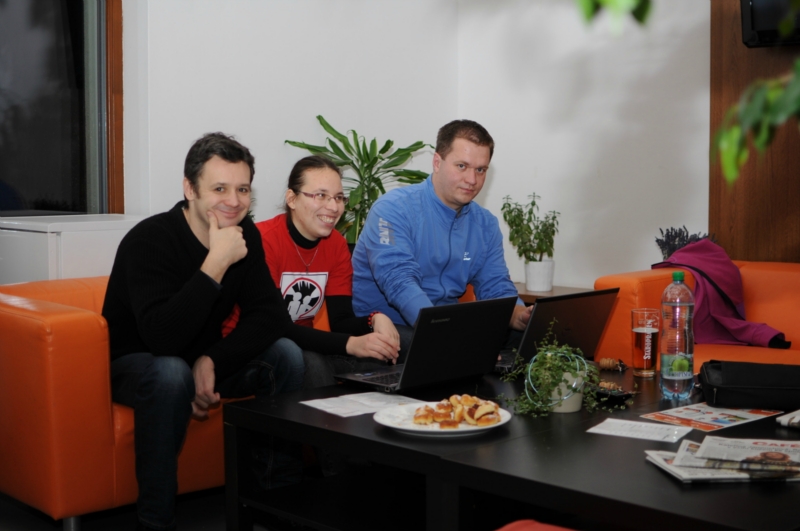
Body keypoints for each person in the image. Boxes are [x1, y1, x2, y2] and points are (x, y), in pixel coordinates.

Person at [102, 132, 304, 531]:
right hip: (136, 365)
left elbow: (271, 317)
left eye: (242, 189)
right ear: (190, 189)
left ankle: (276, 507)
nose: (234, 201)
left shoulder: (245, 236)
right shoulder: (150, 239)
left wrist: (212, 359)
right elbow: (161, 339)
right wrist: (215, 263)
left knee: (286, 355)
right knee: (170, 371)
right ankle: (155, 521)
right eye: (219, 188)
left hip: (198, 359)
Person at [222, 155, 400, 388]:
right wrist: (352, 344)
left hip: (303, 344)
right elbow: (276, 326)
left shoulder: (336, 244)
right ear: (292, 199)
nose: (333, 207)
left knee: (394, 348)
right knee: (310, 362)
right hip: (249, 345)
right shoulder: (263, 240)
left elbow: (340, 321)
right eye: (320, 195)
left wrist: (374, 319)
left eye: (338, 197)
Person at [352, 119, 532, 341]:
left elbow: (495, 286)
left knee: (536, 340)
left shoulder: (485, 224)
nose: (472, 180)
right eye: (462, 166)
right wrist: (450, 337)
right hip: (387, 329)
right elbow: (400, 283)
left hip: (446, 327)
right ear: (437, 162)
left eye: (480, 170)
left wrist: (520, 315)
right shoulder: (392, 209)